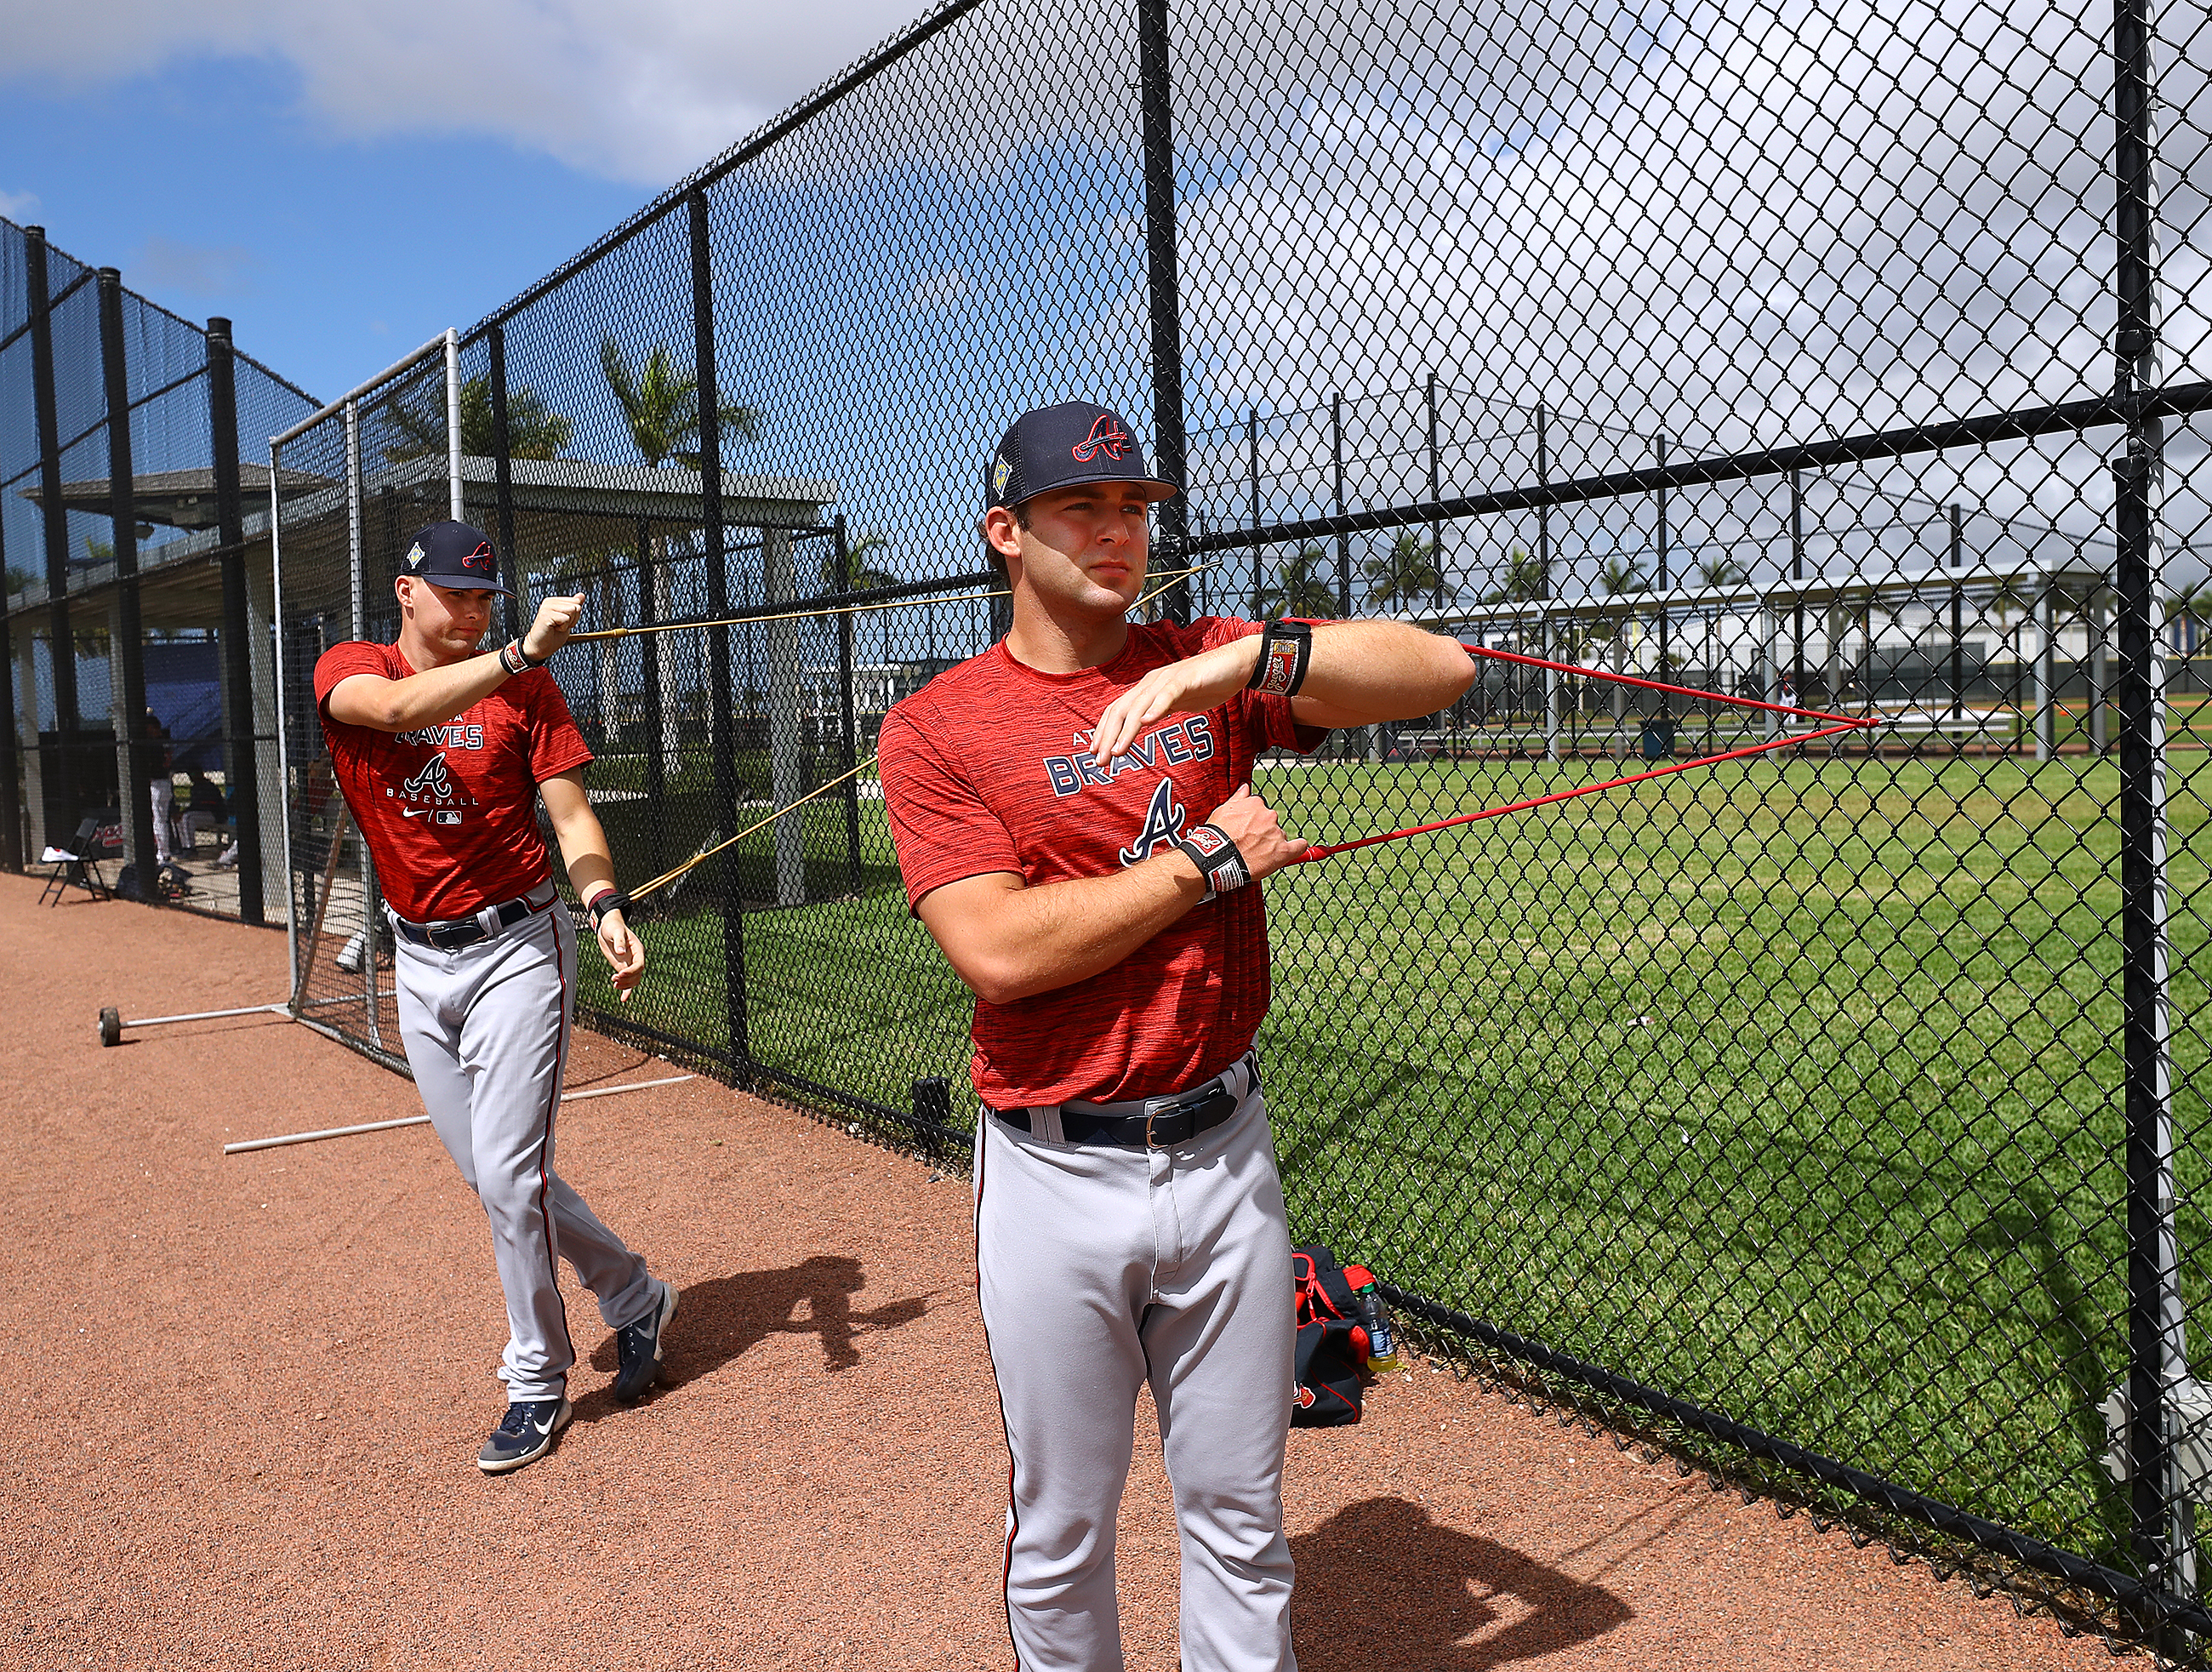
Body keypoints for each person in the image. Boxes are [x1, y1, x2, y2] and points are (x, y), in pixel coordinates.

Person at [877, 402, 1475, 1669]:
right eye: (1081, 508)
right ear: (1006, 531)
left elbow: (1443, 671)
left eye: (1136, 508)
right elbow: (997, 950)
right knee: (1062, 1528)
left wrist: (1238, 661)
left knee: (1242, 1521)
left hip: (1223, 1151)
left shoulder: (1205, 660)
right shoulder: (939, 724)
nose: (1117, 531)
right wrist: (1207, 863)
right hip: (1052, 1170)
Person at [315, 519, 677, 1475]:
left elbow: (571, 816)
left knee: (513, 1180)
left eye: (487, 598)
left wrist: (602, 901)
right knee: (493, 1179)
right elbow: (390, 713)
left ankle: (536, 1377)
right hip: (417, 960)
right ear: (405, 590)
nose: (474, 612)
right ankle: (634, 1293)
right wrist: (516, 652)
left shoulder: (527, 687)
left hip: (517, 946)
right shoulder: (352, 666)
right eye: (456, 594)